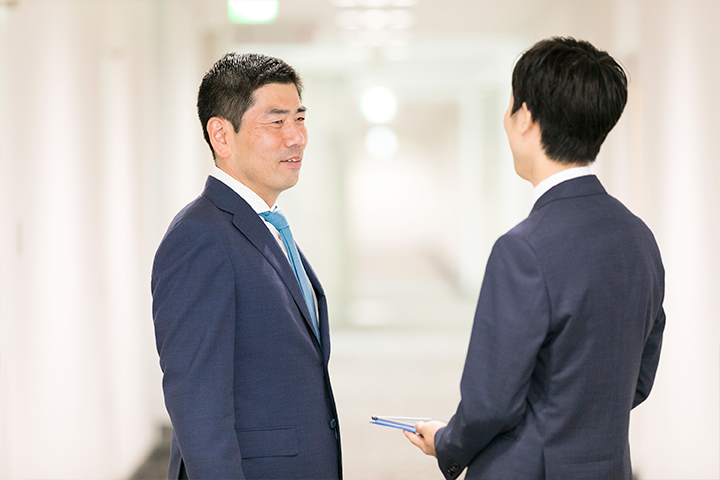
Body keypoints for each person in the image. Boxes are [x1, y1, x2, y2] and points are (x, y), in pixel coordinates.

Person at [404, 37, 665, 480]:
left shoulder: (522, 249)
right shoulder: (638, 238)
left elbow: (490, 402)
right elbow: (638, 380)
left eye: (509, 106)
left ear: (524, 117)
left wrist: (447, 442)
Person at [151, 52, 341, 480]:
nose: (296, 138)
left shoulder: (265, 226)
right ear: (221, 135)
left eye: (300, 119)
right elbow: (197, 406)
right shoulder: (199, 238)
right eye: (276, 122)